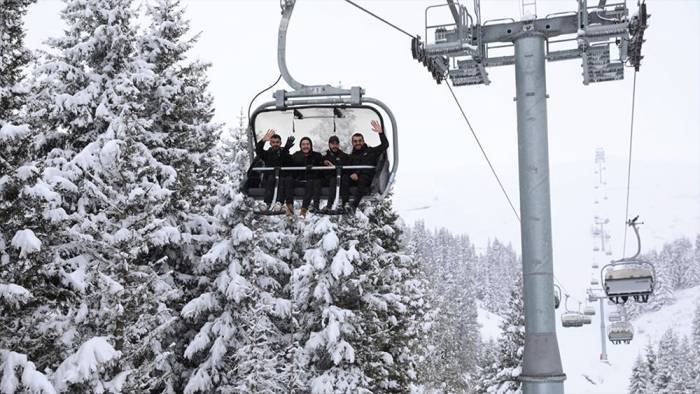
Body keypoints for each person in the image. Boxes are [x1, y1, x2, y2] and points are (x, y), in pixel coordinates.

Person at [348, 119, 388, 210]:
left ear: (363, 141)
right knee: (344, 178)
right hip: (355, 178)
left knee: (363, 178)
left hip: (366, 178)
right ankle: (343, 204)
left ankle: (353, 206)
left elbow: (385, 145)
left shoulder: (371, 151)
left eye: (360, 141)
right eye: (355, 141)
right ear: (352, 143)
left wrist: (381, 133)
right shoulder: (351, 156)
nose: (358, 143)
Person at [255, 129, 294, 213]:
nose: (275, 144)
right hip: (270, 178)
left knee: (282, 180)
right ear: (270, 143)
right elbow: (258, 151)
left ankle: (279, 202)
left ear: (280, 143)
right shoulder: (267, 154)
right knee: (271, 178)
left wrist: (286, 148)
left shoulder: (285, 153)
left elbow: (283, 159)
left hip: (281, 178)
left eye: (277, 142)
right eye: (273, 142)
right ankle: (267, 203)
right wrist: (263, 140)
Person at [288, 137, 323, 217]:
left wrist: (313, 167)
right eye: (303, 144)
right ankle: (289, 206)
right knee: (288, 180)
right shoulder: (296, 156)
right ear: (300, 146)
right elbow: (288, 163)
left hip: (310, 180)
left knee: (311, 183)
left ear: (310, 145)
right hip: (299, 180)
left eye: (307, 144)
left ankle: (304, 209)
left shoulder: (317, 156)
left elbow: (321, 169)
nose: (305, 146)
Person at [322, 135, 351, 211]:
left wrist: (334, 166)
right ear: (329, 145)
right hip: (329, 178)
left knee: (343, 179)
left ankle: (345, 203)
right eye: (332, 144)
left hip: (341, 177)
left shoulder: (344, 156)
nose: (334, 146)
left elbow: (346, 166)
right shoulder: (325, 156)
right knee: (333, 179)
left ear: (338, 145)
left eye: (336, 144)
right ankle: (329, 205)